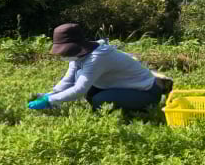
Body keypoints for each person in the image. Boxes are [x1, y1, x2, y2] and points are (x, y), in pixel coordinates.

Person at [27, 23, 163, 114]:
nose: (62, 54)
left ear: (74, 47)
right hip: (122, 86)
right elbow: (69, 80)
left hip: (146, 92)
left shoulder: (97, 57)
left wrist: (50, 101)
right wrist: (50, 94)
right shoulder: (78, 55)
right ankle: (121, 103)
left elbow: (79, 89)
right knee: (90, 93)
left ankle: (142, 110)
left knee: (100, 101)